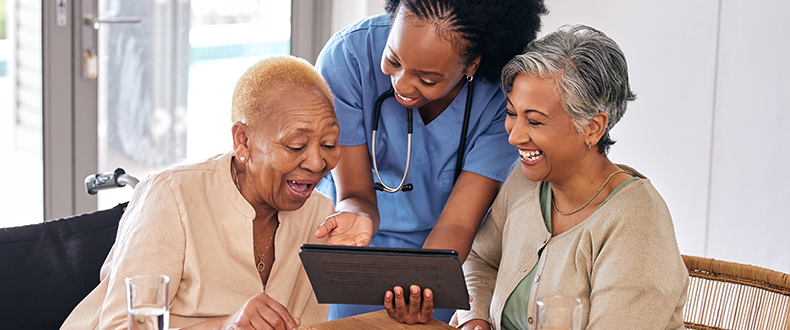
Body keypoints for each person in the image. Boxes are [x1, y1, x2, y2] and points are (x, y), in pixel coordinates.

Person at [62, 55, 348, 329]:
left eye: (329, 144)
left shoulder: (320, 215)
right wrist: (224, 326)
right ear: (243, 141)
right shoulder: (170, 197)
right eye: (296, 145)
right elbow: (122, 327)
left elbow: (311, 324)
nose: (316, 163)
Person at [312, 0, 548, 323]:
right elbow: (355, 194)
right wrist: (353, 214)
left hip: (442, 260)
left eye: (427, 79)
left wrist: (420, 285)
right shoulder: (349, 58)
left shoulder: (501, 97)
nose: (402, 84)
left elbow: (458, 223)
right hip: (360, 253)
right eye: (393, 60)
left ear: (472, 65)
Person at [451, 25, 689, 330]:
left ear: (592, 127)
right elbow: (480, 260)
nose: (515, 137)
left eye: (535, 121)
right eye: (512, 113)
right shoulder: (525, 181)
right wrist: (477, 319)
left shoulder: (637, 220)